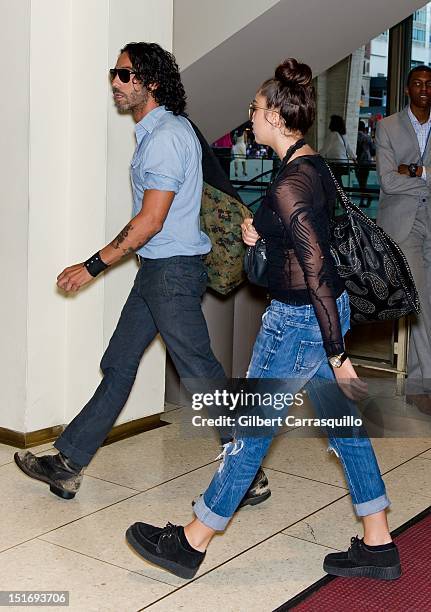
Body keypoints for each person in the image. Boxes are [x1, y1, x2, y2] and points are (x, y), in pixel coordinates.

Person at [125, 58, 401, 582]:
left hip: (300, 321)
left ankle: (193, 538)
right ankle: (379, 542)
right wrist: (264, 236)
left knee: (249, 433)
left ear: (275, 114)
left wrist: (340, 356)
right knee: (344, 430)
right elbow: (305, 242)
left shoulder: (290, 183)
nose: (249, 118)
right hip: (320, 315)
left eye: (254, 110)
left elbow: (315, 267)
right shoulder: (311, 167)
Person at [13, 42, 270, 509]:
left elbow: (151, 220)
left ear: (151, 82)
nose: (116, 82)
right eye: (115, 73)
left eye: (125, 74)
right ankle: (68, 463)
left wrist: (91, 266)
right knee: (119, 362)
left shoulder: (167, 137)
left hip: (170, 272)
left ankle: (248, 470)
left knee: (199, 370)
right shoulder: (159, 133)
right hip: (158, 270)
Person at [375, 65, 431, 414]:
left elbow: (402, 176)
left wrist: (415, 170)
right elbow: (388, 182)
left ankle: (415, 383)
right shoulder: (388, 126)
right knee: (422, 300)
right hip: (404, 225)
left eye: (430, 84)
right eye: (418, 83)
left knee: (425, 301)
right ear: (407, 89)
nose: (425, 89)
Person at [320, 114, 356, 185]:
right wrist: (354, 158)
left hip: (335, 164)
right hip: (343, 164)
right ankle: (341, 195)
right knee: (338, 183)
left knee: (334, 183)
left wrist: (315, 157)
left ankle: (339, 195)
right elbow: (349, 149)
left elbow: (325, 149)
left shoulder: (333, 135)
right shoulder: (343, 135)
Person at [355, 120, 375, 207]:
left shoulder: (355, 137)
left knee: (361, 182)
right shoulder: (368, 137)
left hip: (358, 162)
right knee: (363, 181)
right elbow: (373, 151)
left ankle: (365, 198)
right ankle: (364, 198)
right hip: (367, 162)